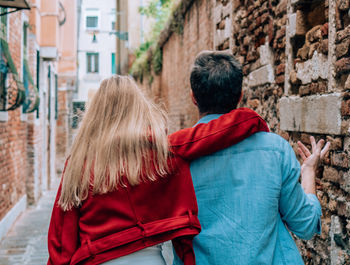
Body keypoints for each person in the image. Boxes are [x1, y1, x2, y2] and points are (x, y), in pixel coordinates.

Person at [47, 75, 270, 265]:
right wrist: (253, 119)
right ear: (139, 108)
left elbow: (60, 243)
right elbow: (213, 133)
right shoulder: (163, 149)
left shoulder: (78, 163)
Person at [170, 51, 330, 265]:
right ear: (240, 95)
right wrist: (308, 172)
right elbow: (306, 226)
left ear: (193, 97)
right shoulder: (275, 150)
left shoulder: (174, 160)